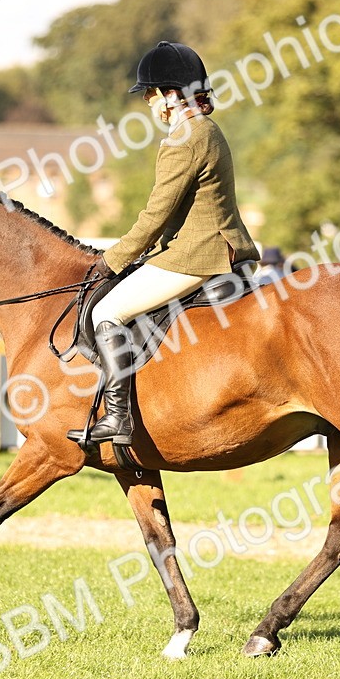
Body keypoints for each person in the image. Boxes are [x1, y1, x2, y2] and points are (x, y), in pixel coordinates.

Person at [75, 41, 260, 446]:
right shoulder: (204, 129)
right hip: (208, 247)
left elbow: (155, 215)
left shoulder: (186, 137)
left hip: (200, 254)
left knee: (107, 310)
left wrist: (113, 259)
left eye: (151, 93)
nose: (148, 102)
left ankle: (118, 418)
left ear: (172, 94)